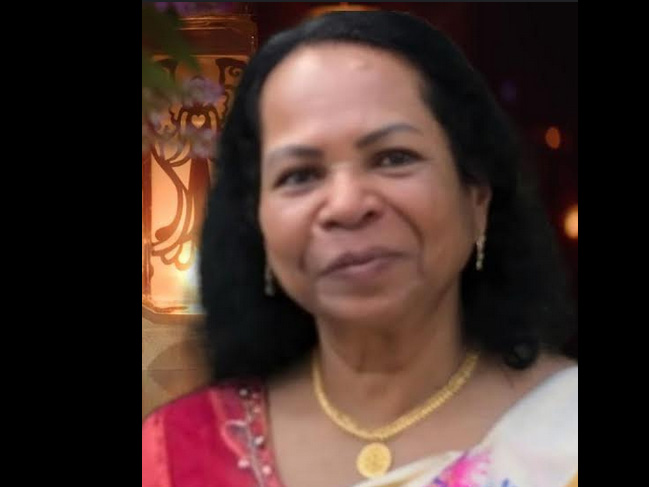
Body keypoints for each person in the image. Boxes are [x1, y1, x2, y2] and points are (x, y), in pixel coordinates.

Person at [142, 10, 578, 487]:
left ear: (476, 197)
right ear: (258, 223)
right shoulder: (172, 455)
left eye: (394, 158)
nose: (347, 206)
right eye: (300, 176)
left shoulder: (564, 436)